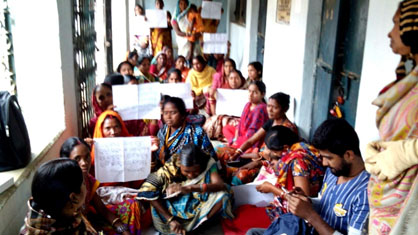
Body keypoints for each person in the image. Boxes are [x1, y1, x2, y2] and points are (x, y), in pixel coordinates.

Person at [248, 118, 370, 235]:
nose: (324, 163)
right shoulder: (334, 173)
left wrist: (310, 215)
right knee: (253, 233)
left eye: (329, 158)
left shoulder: (365, 193)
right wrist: (305, 201)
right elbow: (325, 204)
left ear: (348, 155)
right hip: (309, 231)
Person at [363, 1, 418, 233]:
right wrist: (378, 150)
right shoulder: (410, 81)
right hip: (385, 205)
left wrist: (409, 152)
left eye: (396, 23)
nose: (390, 32)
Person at [136, 143, 234, 234]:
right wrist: (171, 220)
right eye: (186, 171)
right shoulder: (170, 167)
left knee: (224, 194)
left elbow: (219, 185)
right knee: (155, 199)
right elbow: (147, 190)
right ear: (179, 164)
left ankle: (199, 226)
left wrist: (191, 188)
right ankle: (181, 227)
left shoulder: (208, 162)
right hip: (174, 208)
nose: (191, 175)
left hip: (198, 202)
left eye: (195, 171)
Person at [60, 138, 132, 235]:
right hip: (73, 229)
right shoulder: (63, 186)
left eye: (87, 157)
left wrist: (121, 227)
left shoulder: (88, 180)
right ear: (66, 161)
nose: (84, 163)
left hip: (87, 221)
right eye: (77, 159)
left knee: (131, 207)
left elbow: (102, 209)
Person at [20, 159, 94, 234]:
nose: (86, 187)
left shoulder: (36, 217)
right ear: (74, 198)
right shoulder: (69, 230)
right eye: (84, 183)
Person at [229, 92, 298, 161]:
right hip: (260, 156)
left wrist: (243, 156)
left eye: (275, 107)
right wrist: (238, 153)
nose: (270, 110)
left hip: (272, 162)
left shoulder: (287, 129)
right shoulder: (272, 121)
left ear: (285, 109)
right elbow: (251, 141)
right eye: (268, 106)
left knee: (238, 169)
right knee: (225, 154)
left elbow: (277, 156)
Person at [153, 96, 216, 170]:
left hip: (191, 173)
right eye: (165, 113)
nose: (168, 116)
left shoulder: (196, 131)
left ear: (183, 115)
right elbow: (157, 159)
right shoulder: (162, 131)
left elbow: (210, 157)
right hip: (165, 173)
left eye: (173, 112)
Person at [222, 81, 268, 150]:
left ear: (262, 94)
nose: (250, 94)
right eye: (249, 91)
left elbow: (253, 132)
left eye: (255, 92)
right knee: (226, 128)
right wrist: (237, 136)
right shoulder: (248, 104)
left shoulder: (260, 108)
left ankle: (235, 144)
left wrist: (238, 140)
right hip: (242, 134)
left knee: (232, 147)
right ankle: (234, 141)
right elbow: (240, 122)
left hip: (250, 139)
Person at [203, 70, 246, 140]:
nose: (234, 81)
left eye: (236, 78)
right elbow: (214, 113)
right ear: (227, 79)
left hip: (240, 118)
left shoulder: (247, 92)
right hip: (223, 117)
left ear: (241, 79)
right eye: (231, 78)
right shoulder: (221, 91)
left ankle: (230, 138)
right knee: (214, 121)